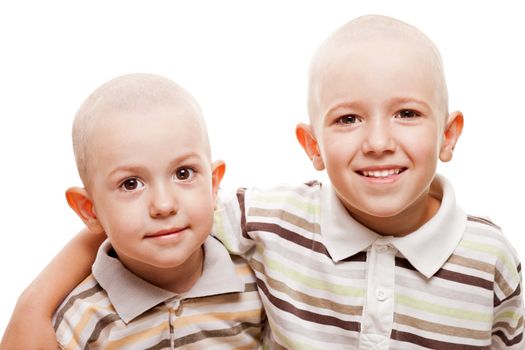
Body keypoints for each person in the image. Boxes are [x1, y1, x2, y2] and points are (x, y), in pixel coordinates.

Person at [2, 15, 523, 349]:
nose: (378, 141)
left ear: (449, 136)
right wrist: (33, 302)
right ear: (312, 146)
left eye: (407, 113)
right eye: (347, 119)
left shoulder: (489, 257)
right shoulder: (269, 222)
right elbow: (165, 214)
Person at [1, 73, 265, 349]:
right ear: (89, 210)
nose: (164, 205)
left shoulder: (256, 284)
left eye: (183, 173)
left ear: (213, 185)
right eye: (131, 184)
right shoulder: (82, 320)